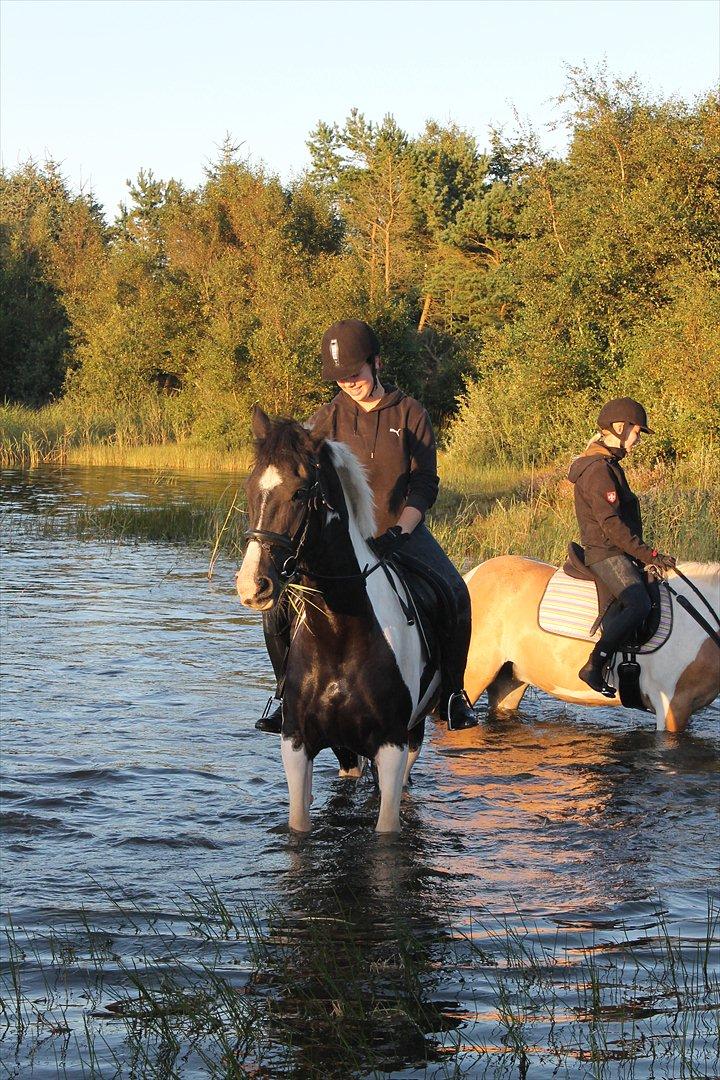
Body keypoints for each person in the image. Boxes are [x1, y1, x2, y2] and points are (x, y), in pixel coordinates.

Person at [256, 318, 478, 733]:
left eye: (354, 374)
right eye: (340, 379)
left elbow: (424, 484)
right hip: (342, 541)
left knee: (454, 591)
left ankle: (452, 693)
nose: (349, 384)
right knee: (276, 610)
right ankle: (283, 693)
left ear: (376, 363)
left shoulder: (411, 413)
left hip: (400, 531)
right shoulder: (325, 419)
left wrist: (402, 531)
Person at [568, 397, 676, 696]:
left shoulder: (606, 465)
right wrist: (650, 554)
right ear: (619, 427)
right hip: (606, 553)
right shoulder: (599, 470)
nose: (638, 440)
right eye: (637, 432)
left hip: (615, 550)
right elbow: (612, 527)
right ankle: (594, 664)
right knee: (639, 604)